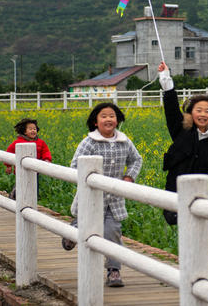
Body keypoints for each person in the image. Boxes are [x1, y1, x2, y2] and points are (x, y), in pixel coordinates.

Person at [61, 102, 142, 288]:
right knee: (84, 223)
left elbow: (136, 159)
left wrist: (129, 176)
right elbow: (75, 165)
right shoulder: (89, 142)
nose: (108, 119)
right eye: (103, 116)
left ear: (117, 119)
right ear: (95, 122)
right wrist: (92, 179)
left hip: (113, 200)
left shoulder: (124, 141)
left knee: (112, 232)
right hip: (90, 197)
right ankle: (71, 232)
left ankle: (114, 270)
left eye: (112, 116)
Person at [157, 62, 208, 242]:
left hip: (206, 193)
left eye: (207, 111)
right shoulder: (181, 131)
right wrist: (166, 79)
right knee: (187, 232)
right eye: (198, 110)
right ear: (191, 113)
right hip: (177, 192)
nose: (202, 114)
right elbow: (171, 109)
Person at [5, 118, 52, 200]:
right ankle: (14, 197)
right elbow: (9, 153)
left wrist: (47, 159)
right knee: (20, 185)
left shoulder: (41, 142)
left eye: (34, 129)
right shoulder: (18, 142)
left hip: (35, 170)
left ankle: (33, 199)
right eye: (30, 129)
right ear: (24, 131)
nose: (33, 131)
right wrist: (8, 165)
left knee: (34, 185)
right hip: (20, 170)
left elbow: (46, 151)